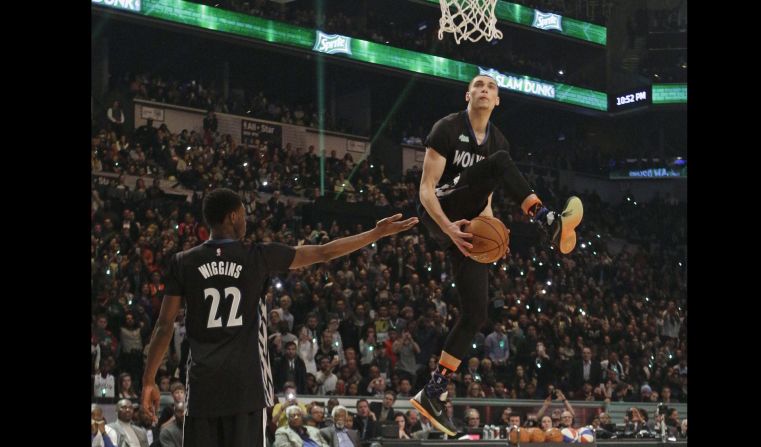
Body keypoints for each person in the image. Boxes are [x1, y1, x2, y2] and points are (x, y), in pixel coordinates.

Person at [141, 187, 418, 447]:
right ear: (234, 216)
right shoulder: (257, 255)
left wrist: (149, 381)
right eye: (244, 215)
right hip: (246, 387)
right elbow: (324, 252)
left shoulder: (183, 261)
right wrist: (375, 233)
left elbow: (164, 326)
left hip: (203, 388)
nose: (246, 221)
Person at [411, 74, 583, 435]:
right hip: (440, 210)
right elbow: (425, 190)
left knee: (476, 312)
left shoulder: (497, 140)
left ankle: (434, 390)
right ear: (468, 94)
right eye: (478, 85)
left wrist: (491, 239)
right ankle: (547, 219)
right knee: (501, 161)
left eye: (491, 87)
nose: (484, 90)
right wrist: (446, 228)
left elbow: (485, 200)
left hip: (469, 222)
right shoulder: (447, 128)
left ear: (498, 100)